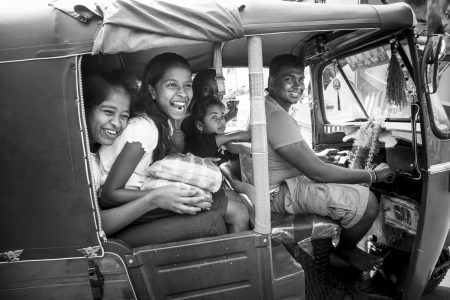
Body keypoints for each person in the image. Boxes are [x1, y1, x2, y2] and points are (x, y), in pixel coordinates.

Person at [261, 54, 395, 271]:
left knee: (348, 181)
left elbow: (289, 156)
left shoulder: (269, 107)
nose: (297, 85)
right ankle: (345, 249)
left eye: (300, 79)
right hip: (277, 194)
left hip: (279, 185)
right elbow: (319, 173)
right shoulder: (276, 115)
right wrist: (373, 175)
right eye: (289, 79)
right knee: (369, 203)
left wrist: (317, 157)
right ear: (272, 82)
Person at [85, 68, 227, 248]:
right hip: (107, 243)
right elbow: (96, 227)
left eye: (124, 116)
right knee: (213, 221)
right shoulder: (80, 161)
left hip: (117, 223)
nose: (116, 123)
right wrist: (152, 199)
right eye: (107, 111)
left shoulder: (93, 150)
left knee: (211, 203)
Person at [185, 95, 251, 232]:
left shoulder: (202, 138)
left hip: (203, 188)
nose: (221, 121)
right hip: (198, 191)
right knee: (241, 205)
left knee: (238, 197)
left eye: (222, 116)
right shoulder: (209, 140)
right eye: (214, 118)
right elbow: (239, 134)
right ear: (199, 125)